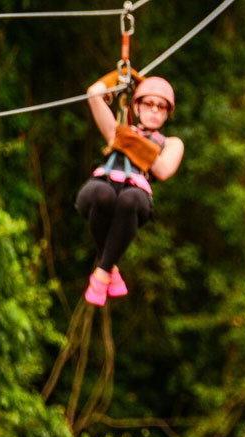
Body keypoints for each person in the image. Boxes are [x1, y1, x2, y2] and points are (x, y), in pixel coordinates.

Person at [76, 71, 184, 306]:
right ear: (137, 107)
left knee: (130, 199)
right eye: (149, 104)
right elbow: (94, 94)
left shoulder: (170, 143)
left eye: (161, 107)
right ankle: (108, 269)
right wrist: (120, 74)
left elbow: (164, 169)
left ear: (167, 113)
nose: (155, 110)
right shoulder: (118, 132)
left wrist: (132, 141)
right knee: (102, 194)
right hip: (103, 184)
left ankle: (102, 271)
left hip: (135, 195)